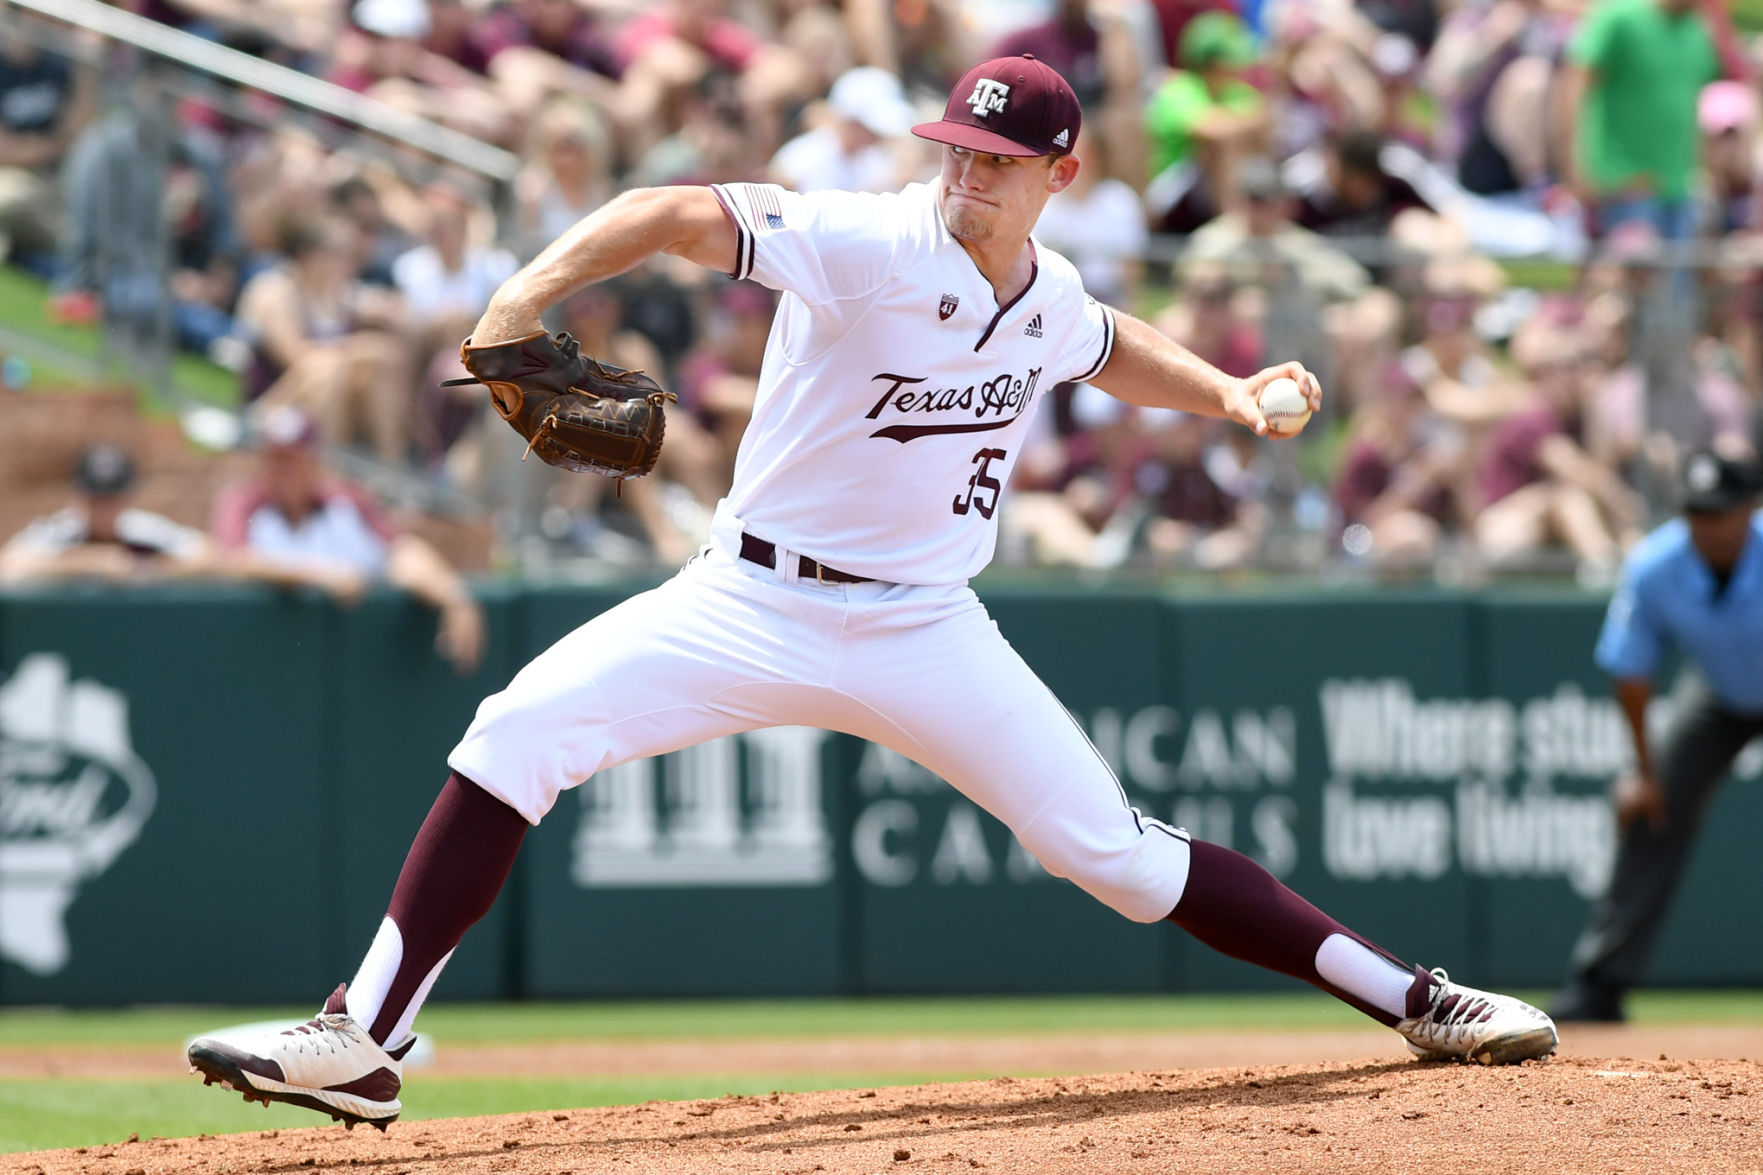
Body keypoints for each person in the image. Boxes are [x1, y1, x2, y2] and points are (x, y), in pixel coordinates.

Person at [185, 56, 1556, 1129]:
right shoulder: (864, 237)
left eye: (997, 160)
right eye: (954, 149)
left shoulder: (1041, 288)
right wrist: (518, 298)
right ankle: (365, 1038)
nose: (964, 175)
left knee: (1116, 857)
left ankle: (1410, 994)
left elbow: (1097, 339)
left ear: (1059, 173)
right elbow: (665, 212)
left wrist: (1224, 390)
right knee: (516, 728)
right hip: (744, 598)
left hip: (921, 624)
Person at [1552, 448, 1763, 1023]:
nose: (1708, 526)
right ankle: (1601, 983)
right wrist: (1643, 774)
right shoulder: (1655, 563)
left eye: (1720, 512)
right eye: (1697, 512)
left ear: (1751, 508)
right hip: (1719, 693)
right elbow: (1631, 672)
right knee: (1652, 808)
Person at [210, 405, 485, 674]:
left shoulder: (345, 502)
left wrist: (454, 597)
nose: (284, 469)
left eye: (294, 458)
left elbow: (401, 552)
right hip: (259, 665)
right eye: (276, 458)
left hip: (346, 668)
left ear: (314, 461)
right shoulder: (244, 502)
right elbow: (235, 560)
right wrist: (320, 575)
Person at [1553, 0, 1718, 243]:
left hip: (1678, 190)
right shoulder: (1618, 16)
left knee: (1677, 279)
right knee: (1616, 276)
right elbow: (1572, 84)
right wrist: (1572, 168)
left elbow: (1692, 104)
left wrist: (1703, 168)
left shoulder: (1698, 31)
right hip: (1621, 187)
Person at [0, 444, 212, 584]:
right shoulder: (62, 529)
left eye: (111, 498)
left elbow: (207, 554)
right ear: (78, 496)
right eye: (96, 499)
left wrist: (144, 567)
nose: (104, 508)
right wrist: (94, 562)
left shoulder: (141, 529)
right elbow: (10, 564)